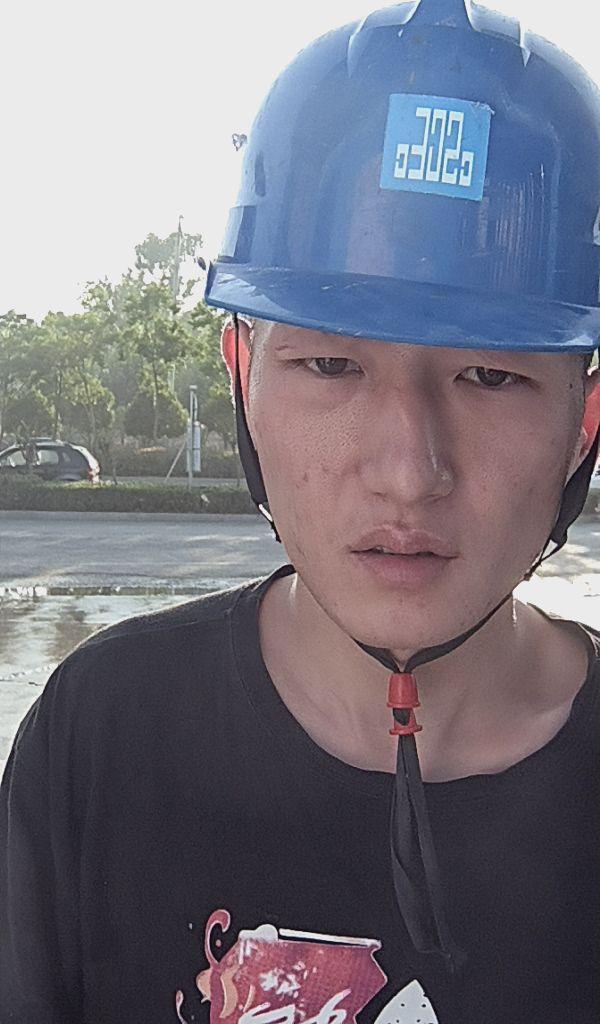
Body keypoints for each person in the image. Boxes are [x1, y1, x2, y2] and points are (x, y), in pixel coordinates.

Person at [2, 0, 600, 1021]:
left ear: (584, 419)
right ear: (242, 377)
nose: (409, 473)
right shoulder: (100, 736)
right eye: (331, 365)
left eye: (492, 377)